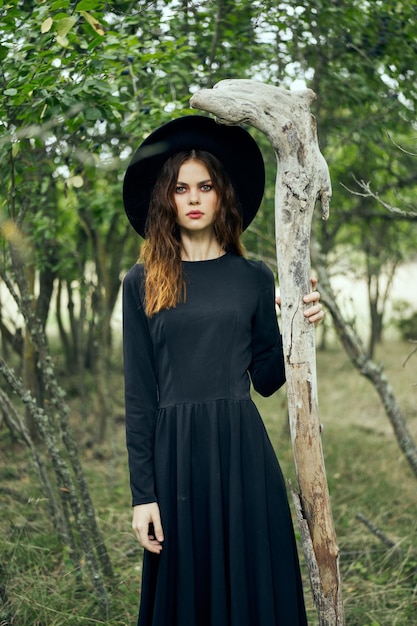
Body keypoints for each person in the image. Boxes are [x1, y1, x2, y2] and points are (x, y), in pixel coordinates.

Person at [122, 115, 323, 626]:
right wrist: (142, 496)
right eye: (181, 188)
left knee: (251, 591)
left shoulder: (253, 277)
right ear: (166, 198)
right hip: (175, 460)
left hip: (242, 455)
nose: (193, 198)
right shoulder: (142, 281)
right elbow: (139, 396)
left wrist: (300, 326)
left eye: (205, 186)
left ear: (221, 196)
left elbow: (268, 378)